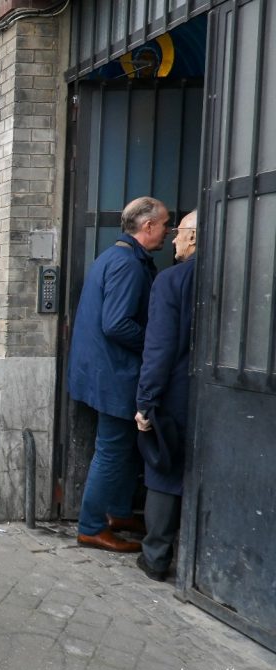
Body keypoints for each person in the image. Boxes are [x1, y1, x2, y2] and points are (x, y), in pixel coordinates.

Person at [69, 196, 170, 553]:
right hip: (114, 374)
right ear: (148, 226)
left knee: (123, 448)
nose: (169, 231)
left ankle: (119, 514)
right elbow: (116, 324)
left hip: (105, 372)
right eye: (165, 224)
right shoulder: (127, 264)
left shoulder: (115, 256)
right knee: (112, 451)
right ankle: (91, 527)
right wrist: (156, 344)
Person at [134, 210, 197, 581]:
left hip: (176, 392)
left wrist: (145, 402)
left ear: (194, 237)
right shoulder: (240, 274)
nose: (174, 238)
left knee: (165, 469)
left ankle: (156, 557)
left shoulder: (172, 280)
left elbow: (158, 348)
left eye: (180, 232)